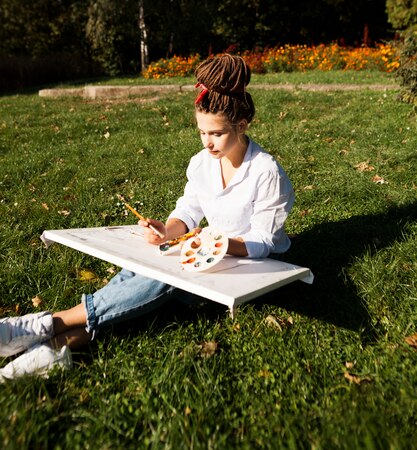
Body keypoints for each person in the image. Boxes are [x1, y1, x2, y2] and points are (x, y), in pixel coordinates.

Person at [0, 54, 295, 381]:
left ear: (241, 125)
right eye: (201, 132)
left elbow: (265, 242)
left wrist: (219, 245)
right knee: (148, 274)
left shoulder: (266, 171)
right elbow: (188, 211)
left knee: (160, 278)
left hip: (254, 270)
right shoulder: (201, 163)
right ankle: (57, 347)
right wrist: (166, 230)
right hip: (209, 255)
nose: (208, 142)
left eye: (217, 133)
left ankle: (48, 324)